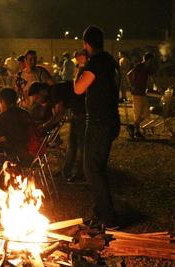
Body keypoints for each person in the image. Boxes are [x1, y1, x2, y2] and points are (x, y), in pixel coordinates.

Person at [74, 26, 121, 228]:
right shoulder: (110, 60)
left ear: (86, 44)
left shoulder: (96, 63)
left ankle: (108, 218)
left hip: (98, 122)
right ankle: (99, 211)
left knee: (92, 169)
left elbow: (78, 88)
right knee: (97, 168)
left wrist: (81, 66)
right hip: (111, 119)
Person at [62, 50, 89, 183]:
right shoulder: (79, 70)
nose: (78, 61)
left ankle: (82, 173)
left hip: (83, 113)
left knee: (81, 146)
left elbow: (80, 91)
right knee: (72, 144)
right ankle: (66, 171)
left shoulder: (87, 72)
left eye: (80, 58)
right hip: (76, 112)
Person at [126, 52, 156, 139]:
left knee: (146, 113)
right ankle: (136, 132)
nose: (152, 62)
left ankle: (132, 127)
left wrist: (158, 87)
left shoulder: (148, 68)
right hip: (137, 93)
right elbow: (128, 75)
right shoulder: (139, 66)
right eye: (152, 60)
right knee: (138, 113)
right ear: (149, 60)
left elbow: (153, 78)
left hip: (142, 93)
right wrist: (132, 86)